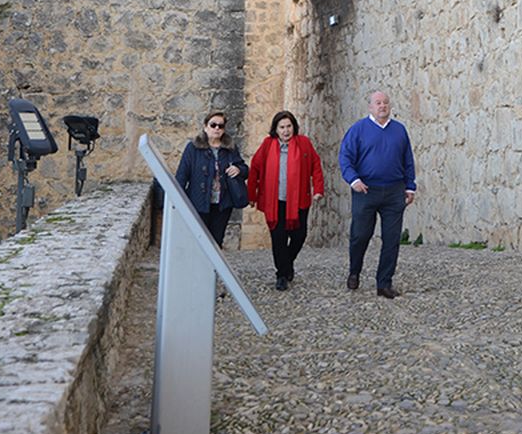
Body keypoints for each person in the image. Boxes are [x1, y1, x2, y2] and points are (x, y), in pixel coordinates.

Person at [338, 90, 416, 298]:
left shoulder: (399, 130)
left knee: (392, 239)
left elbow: (407, 159)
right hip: (366, 190)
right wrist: (353, 179)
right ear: (370, 107)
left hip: (393, 191)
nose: (382, 106)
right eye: (378, 103)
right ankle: (354, 271)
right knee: (360, 235)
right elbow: (345, 157)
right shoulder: (358, 130)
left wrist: (410, 186)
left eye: (385, 103)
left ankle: (384, 283)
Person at [247, 110, 324, 290]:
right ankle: (282, 274)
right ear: (276, 129)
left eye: (289, 126)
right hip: (274, 202)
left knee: (299, 235)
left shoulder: (304, 143)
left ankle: (286, 264)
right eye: (282, 127)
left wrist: (318, 189)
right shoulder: (267, 145)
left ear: (293, 127)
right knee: (279, 238)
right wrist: (251, 195)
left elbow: (316, 165)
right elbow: (255, 169)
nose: (286, 130)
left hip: (298, 200)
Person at [174, 111, 248, 247]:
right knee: (198, 241)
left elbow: (244, 169)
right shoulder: (193, 148)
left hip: (223, 204)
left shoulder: (230, 148)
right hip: (199, 202)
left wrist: (238, 169)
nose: (217, 129)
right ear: (205, 127)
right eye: (213, 125)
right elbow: (182, 175)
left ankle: (213, 269)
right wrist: (178, 199)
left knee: (216, 242)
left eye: (220, 126)